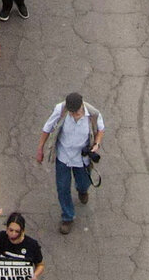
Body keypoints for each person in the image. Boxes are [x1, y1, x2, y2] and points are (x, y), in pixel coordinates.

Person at [38, 91, 104, 232]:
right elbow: (47, 128)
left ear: (82, 107)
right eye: (72, 113)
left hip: (82, 159)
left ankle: (82, 190)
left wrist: (96, 144)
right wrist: (40, 149)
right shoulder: (60, 110)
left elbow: (100, 129)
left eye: (77, 113)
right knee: (63, 188)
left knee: (84, 182)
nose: (74, 116)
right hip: (63, 157)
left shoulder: (93, 114)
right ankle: (68, 216)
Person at [0, 209, 42, 276]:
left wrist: (35, 275)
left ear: (23, 231)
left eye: (17, 231)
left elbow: (40, 265)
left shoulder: (32, 245)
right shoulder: (1, 238)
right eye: (11, 230)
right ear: (7, 229)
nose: (13, 234)